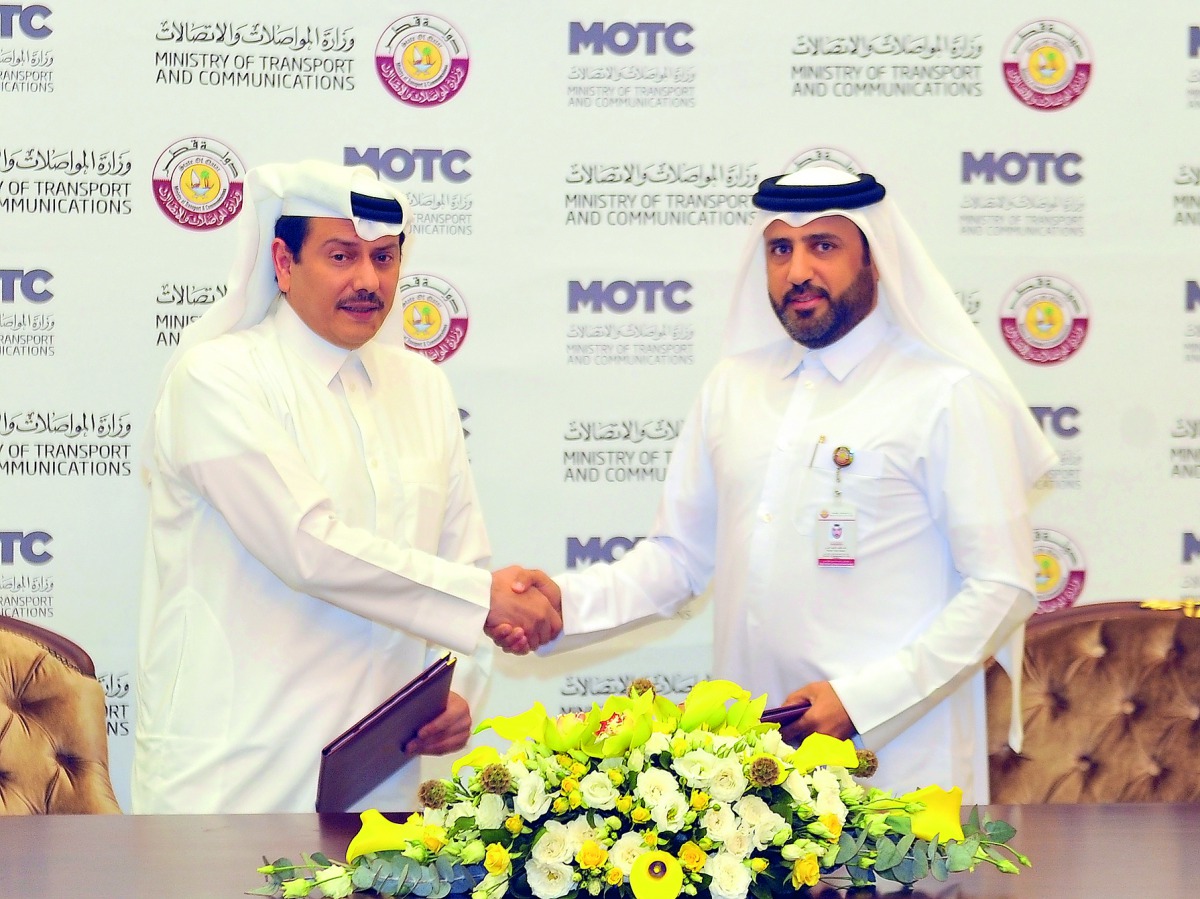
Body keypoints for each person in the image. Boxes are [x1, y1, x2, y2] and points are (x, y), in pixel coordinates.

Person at [493, 167, 1055, 802]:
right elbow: (678, 558)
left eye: (824, 245)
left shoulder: (944, 394)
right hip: (749, 773)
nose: (797, 271)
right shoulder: (734, 385)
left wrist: (860, 702)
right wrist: (564, 605)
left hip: (896, 763)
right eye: (780, 248)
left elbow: (1001, 586)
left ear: (874, 258)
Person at [132, 160, 560, 814]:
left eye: (385, 258)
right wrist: (485, 600)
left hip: (379, 783)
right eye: (342, 255)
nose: (368, 280)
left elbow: (462, 560)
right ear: (282, 260)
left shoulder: (422, 385)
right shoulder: (218, 378)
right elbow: (310, 547)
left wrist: (463, 688)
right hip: (236, 775)